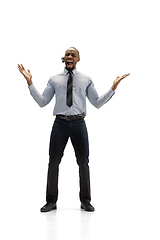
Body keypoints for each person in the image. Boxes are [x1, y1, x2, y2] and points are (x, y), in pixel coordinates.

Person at [18, 47, 130, 212]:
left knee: (83, 163)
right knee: (53, 162)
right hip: (60, 124)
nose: (69, 56)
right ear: (64, 58)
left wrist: (113, 88)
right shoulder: (54, 79)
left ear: (78, 59)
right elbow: (42, 102)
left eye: (73, 55)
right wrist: (29, 83)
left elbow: (97, 103)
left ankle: (85, 200)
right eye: (67, 54)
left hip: (79, 124)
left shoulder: (86, 79)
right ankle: (51, 201)